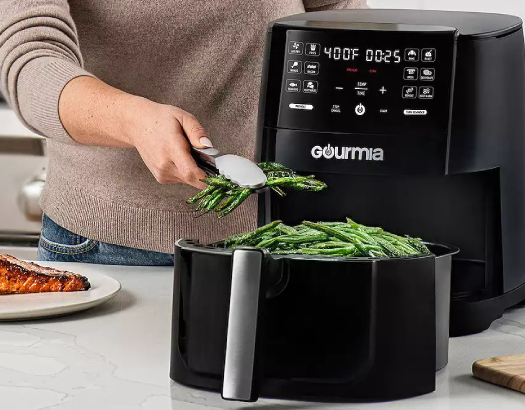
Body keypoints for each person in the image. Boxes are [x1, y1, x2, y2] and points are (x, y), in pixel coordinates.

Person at [0, 0, 366, 266]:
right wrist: (134, 120)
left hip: (290, 227)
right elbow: (30, 58)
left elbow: (335, 12)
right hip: (116, 243)